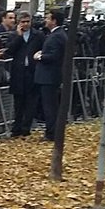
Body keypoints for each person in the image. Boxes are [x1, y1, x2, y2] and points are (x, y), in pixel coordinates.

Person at [0, 11, 44, 137]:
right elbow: (9, 51)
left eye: (27, 21)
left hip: (32, 71)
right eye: (23, 22)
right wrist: (19, 37)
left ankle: (26, 127)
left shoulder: (38, 35)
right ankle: (16, 127)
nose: (25, 24)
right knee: (18, 102)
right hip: (18, 72)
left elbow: (42, 48)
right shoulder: (13, 35)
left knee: (31, 101)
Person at [34, 8, 67, 142]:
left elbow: (54, 55)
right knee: (51, 105)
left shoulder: (57, 36)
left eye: (48, 18)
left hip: (49, 76)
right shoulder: (57, 35)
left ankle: (51, 133)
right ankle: (53, 131)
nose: (45, 21)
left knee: (50, 106)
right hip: (50, 76)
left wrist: (40, 57)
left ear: (54, 21)